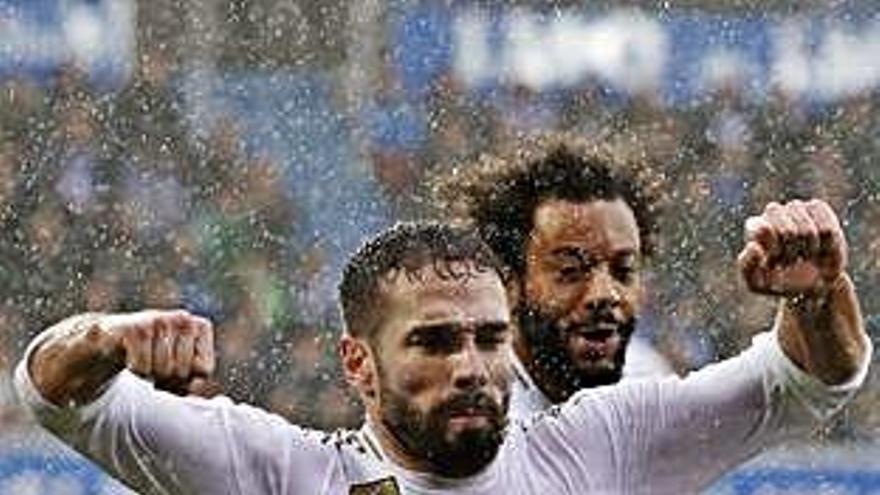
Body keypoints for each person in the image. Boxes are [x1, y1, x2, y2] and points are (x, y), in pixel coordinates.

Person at [14, 215, 870, 493]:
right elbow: (59, 393)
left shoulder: (594, 447)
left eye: (491, 337)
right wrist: (108, 336)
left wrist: (817, 291)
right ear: (358, 363)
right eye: (432, 340)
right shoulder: (283, 473)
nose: (472, 365)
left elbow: (805, 382)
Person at [433, 136, 673, 415]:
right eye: (570, 272)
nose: (605, 294)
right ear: (507, 286)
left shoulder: (649, 384)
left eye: (624, 271)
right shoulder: (469, 416)